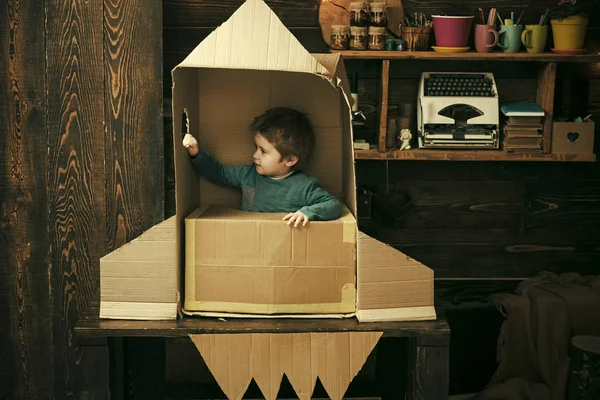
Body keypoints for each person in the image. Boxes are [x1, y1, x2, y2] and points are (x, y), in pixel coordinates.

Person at [182, 107, 342, 227]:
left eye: (263, 151)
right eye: (256, 147)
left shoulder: (304, 186)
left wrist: (307, 212)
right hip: (248, 241)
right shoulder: (249, 174)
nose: (255, 155)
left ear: (290, 159)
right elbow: (219, 173)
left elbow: (333, 205)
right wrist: (197, 153)